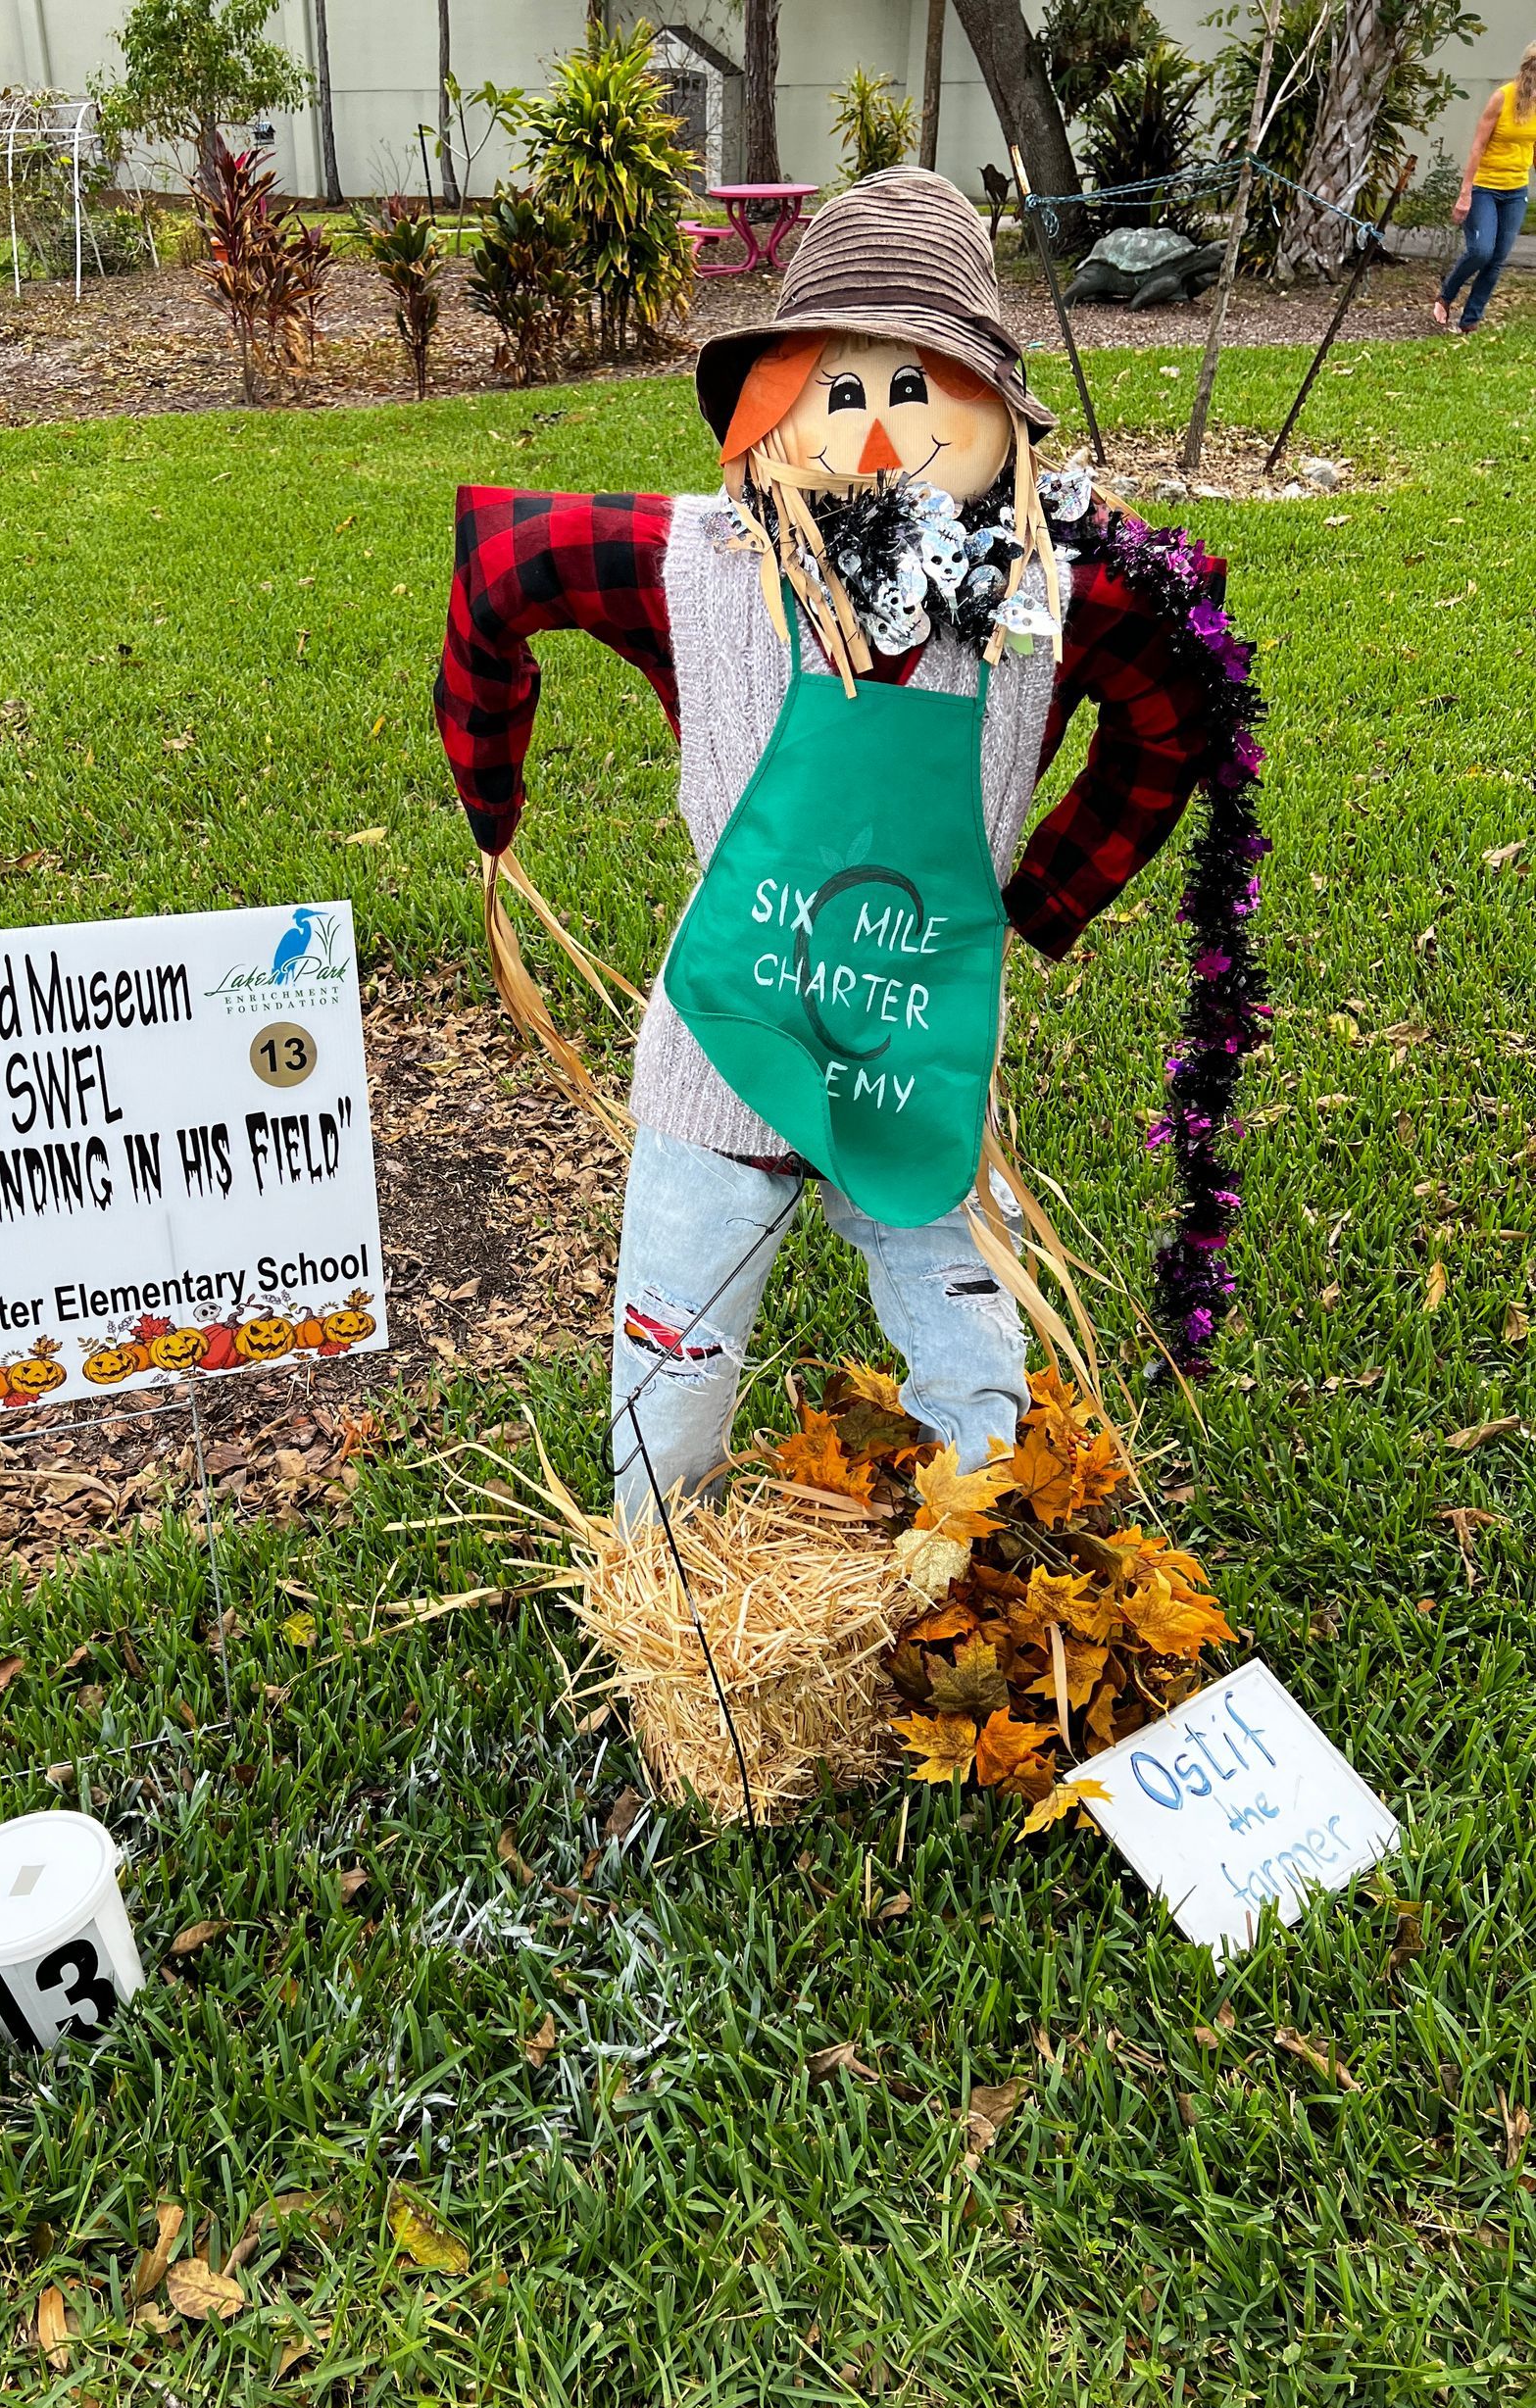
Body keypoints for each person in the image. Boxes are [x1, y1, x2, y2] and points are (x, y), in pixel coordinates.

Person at [434, 169, 1268, 1524]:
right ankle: (672, 1592)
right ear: (774, 412)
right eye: (841, 393)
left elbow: (1181, 704)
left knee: (976, 1355)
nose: (882, 439)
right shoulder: (696, 565)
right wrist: (491, 790)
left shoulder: (1049, 594)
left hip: (919, 1050)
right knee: (674, 1360)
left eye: (921, 392)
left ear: (998, 420)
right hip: (728, 1041)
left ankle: (975, 1558)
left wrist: (1047, 894)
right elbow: (502, 567)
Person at [1435, 46, 1536, 333]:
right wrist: (1465, 193)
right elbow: (1478, 146)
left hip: (1516, 190)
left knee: (1497, 259)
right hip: (1485, 188)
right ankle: (1446, 295)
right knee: (1481, 250)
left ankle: (1470, 321)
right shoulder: (1502, 97)